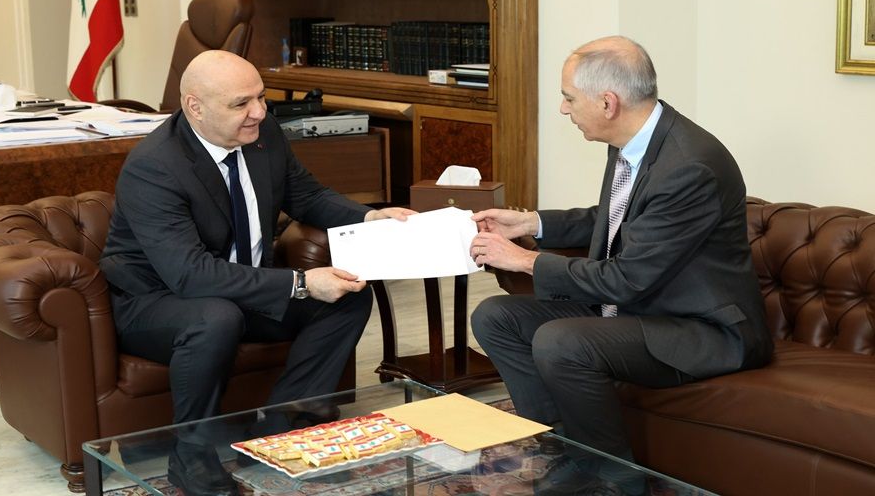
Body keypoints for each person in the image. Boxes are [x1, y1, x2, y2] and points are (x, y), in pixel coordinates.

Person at [469, 36, 772, 495]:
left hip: (700, 330)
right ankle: (564, 450)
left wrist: (527, 260)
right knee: (495, 316)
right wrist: (530, 222)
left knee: (561, 341)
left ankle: (616, 479)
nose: (563, 109)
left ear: (607, 103)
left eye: (569, 98)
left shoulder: (688, 166)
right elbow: (611, 218)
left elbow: (629, 278)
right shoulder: (635, 141)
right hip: (640, 311)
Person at [99, 50, 412, 495]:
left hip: (238, 288)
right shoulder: (155, 166)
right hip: (156, 300)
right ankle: (191, 455)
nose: (260, 112)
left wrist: (369, 217)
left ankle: (286, 426)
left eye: (261, 97)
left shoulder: (263, 135)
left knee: (348, 295)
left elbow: (306, 195)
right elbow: (190, 275)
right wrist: (301, 283)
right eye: (241, 103)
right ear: (194, 107)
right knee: (216, 316)